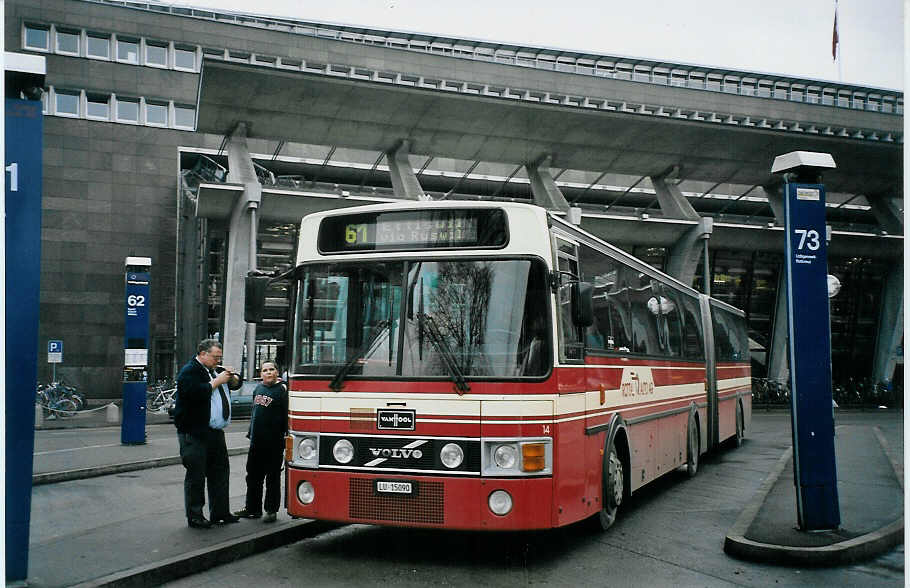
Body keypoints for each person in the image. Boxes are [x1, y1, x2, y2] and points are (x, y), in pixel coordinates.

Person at [173, 339, 242, 529]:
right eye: (215, 357)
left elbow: (234, 384)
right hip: (194, 432)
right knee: (196, 475)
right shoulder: (190, 371)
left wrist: (233, 377)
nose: (217, 361)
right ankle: (195, 516)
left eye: (220, 357)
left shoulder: (214, 370)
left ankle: (220, 512)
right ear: (202, 353)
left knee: (220, 472)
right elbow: (194, 394)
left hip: (215, 432)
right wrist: (216, 382)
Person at [234, 361, 288, 523]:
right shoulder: (258, 389)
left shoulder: (283, 390)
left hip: (274, 443)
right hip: (256, 441)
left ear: (277, 372)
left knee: (272, 478)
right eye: (265, 370)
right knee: (253, 477)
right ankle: (252, 508)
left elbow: (287, 417)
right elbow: (255, 413)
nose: (268, 372)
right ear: (261, 373)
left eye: (272, 369)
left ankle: (271, 510)